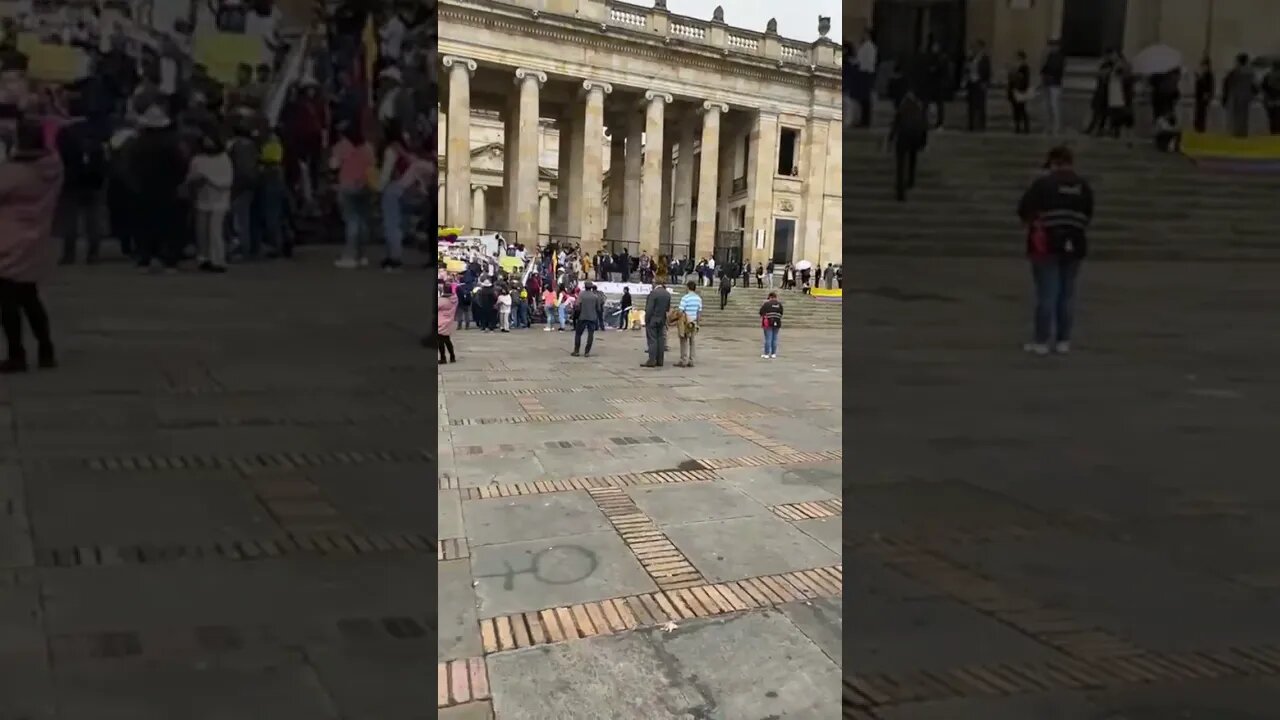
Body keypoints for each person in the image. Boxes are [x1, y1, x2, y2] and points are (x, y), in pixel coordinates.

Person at [1017, 146, 1094, 356]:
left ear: (1053, 162)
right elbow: (1088, 214)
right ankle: (1063, 340)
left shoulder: (1043, 184)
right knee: (1066, 294)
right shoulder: (1083, 186)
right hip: (1075, 243)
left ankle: (1041, 341)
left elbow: (1024, 210)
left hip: (1046, 243)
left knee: (1047, 294)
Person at [0, 117, 62, 372]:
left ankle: (17, 354)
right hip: (37, 236)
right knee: (29, 296)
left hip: (9, 239)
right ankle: (46, 349)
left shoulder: (14, 172)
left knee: (7, 300)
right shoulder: (53, 167)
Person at [130, 105, 187, 272]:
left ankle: (144, 258)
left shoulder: (138, 144)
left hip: (143, 189)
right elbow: (180, 166)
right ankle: (168, 258)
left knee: (144, 225)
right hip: (167, 189)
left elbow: (129, 167)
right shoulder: (171, 143)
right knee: (168, 225)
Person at [54, 95, 106, 265]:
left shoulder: (64, 133)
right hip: (93, 179)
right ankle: (93, 252)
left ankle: (69, 253)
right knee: (93, 217)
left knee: (70, 218)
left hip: (70, 180)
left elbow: (58, 157)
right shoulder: (95, 130)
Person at [184, 127, 233, 273]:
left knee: (215, 231)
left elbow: (227, 181)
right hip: (202, 199)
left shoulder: (224, 158)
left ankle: (218, 259)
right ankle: (203, 258)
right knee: (202, 232)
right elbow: (190, 178)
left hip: (219, 201)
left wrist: (209, 180)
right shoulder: (198, 159)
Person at [330, 122, 376, 268]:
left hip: (347, 187)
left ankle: (350, 255)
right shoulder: (368, 147)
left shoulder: (342, 146)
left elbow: (333, 165)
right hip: (365, 186)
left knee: (351, 221)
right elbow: (373, 164)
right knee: (363, 221)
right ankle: (362, 255)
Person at [889, 89, 928, 202]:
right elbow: (923, 125)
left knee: (901, 166)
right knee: (912, 160)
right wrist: (923, 141)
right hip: (914, 137)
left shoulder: (903, 107)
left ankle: (900, 190)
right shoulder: (919, 108)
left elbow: (896, 123)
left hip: (903, 138)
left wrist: (891, 138)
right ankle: (910, 181)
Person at [1223, 53, 1257, 138]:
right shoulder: (1251, 73)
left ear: (1238, 62)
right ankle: (1242, 135)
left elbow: (1227, 84)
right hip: (1245, 99)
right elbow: (1255, 87)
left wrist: (1225, 98)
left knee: (1234, 119)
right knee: (1243, 119)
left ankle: (1235, 135)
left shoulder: (1234, 72)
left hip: (1235, 98)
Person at [963, 40, 991, 132]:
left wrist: (985, 82)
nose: (975, 49)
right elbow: (966, 69)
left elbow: (987, 71)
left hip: (980, 82)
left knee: (981, 105)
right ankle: (970, 125)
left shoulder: (985, 58)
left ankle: (981, 125)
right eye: (974, 47)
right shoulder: (971, 58)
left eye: (977, 47)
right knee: (971, 105)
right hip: (972, 82)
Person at [571, 281, 604, 357]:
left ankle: (576, 351)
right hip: (592, 318)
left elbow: (577, 305)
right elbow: (598, 308)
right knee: (590, 335)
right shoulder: (595, 296)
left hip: (582, 317)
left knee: (578, 334)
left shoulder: (581, 294)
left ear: (585, 287)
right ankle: (587, 352)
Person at [642, 282, 671, 368]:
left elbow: (649, 308)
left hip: (652, 320)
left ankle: (652, 360)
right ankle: (660, 360)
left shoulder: (653, 293)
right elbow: (667, 308)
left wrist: (646, 319)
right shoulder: (667, 294)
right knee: (660, 339)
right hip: (662, 319)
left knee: (652, 340)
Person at [853, 29, 877, 128]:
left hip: (865, 73)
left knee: (865, 98)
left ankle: (865, 121)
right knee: (863, 99)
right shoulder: (865, 45)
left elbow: (868, 61)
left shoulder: (869, 46)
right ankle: (863, 120)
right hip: (863, 71)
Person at [1040, 38, 1065, 135]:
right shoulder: (1049, 56)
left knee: (1054, 106)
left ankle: (1056, 127)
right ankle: (1048, 126)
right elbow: (1043, 68)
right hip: (1047, 83)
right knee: (1047, 107)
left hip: (1055, 84)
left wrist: (1047, 72)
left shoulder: (1060, 57)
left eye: (1053, 46)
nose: (1051, 48)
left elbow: (1056, 69)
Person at [675, 280, 702, 368]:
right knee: (692, 341)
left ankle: (684, 359)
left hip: (685, 322)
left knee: (683, 341)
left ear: (688, 288)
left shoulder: (685, 298)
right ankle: (691, 360)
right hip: (693, 322)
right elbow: (699, 312)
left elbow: (681, 311)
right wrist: (698, 323)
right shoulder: (698, 299)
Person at [1007, 51, 1032, 134]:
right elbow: (1010, 79)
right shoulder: (1014, 67)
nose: (1016, 59)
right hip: (1013, 90)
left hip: (1021, 91)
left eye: (1018, 57)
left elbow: (1026, 80)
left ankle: (1026, 127)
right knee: (1015, 110)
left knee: (1022, 109)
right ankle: (1017, 126)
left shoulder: (1025, 67)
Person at [759, 291, 783, 359]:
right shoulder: (779, 304)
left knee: (768, 338)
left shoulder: (766, 304)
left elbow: (761, 312)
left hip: (768, 322)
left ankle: (766, 353)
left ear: (770, 297)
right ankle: (773, 353)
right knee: (774, 338)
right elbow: (781, 313)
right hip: (777, 322)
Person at [1193, 57, 1215, 133]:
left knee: (1201, 116)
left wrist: (1208, 95)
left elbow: (1208, 87)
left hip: (1203, 99)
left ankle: (1200, 129)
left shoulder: (1208, 75)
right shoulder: (1204, 75)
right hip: (1200, 98)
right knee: (1199, 115)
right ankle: (1198, 128)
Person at [437, 287, 457, 363]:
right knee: (447, 340)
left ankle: (443, 358)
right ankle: (452, 356)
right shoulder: (454, 300)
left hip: (441, 322)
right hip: (449, 321)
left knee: (440, 341)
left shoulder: (443, 301)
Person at [1263, 59, 1280, 135]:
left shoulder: (1268, 75)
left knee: (1272, 118)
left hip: (1270, 99)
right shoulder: (1268, 76)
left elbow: (1264, 87)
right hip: (1277, 99)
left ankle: (1273, 132)